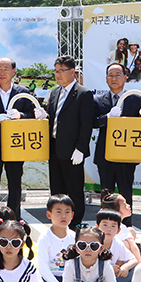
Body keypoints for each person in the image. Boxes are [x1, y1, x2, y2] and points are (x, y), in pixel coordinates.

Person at [0, 57, 40, 225]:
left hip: (16, 146)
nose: (2, 72)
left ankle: (14, 222)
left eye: (6, 68)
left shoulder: (24, 92)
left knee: (15, 185)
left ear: (14, 72)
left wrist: (21, 115)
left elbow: (34, 115)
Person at [46, 55, 95, 230]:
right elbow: (54, 119)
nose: (57, 75)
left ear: (72, 72)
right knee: (57, 190)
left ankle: (75, 223)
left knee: (74, 189)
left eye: (61, 71)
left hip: (73, 151)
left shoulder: (83, 93)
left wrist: (81, 148)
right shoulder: (55, 92)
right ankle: (58, 221)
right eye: (56, 71)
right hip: (54, 150)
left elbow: (86, 123)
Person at [93, 62, 141, 223]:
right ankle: (105, 227)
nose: (114, 78)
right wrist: (107, 117)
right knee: (106, 194)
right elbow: (93, 122)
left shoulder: (136, 99)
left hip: (126, 156)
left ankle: (126, 226)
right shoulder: (98, 100)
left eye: (118, 75)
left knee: (125, 193)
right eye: (111, 75)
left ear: (125, 77)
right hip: (105, 155)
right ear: (106, 79)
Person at [95, 208, 141, 282]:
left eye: (113, 226)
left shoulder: (117, 242)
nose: (109, 229)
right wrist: (109, 268)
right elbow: (88, 264)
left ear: (118, 230)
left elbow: (134, 259)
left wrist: (126, 267)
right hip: (95, 276)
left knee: (135, 270)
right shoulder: (93, 243)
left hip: (113, 275)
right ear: (97, 227)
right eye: (105, 225)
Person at [35, 194, 74, 282]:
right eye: (58, 212)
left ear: (72, 215)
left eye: (67, 212)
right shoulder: (45, 238)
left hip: (69, 278)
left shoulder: (74, 237)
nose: (63, 216)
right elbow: (43, 269)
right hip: (49, 278)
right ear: (49, 215)